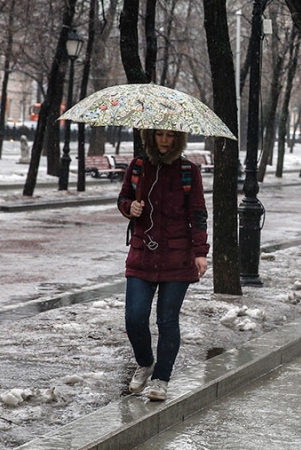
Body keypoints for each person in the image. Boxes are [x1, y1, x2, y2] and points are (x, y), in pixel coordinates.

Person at [117, 129, 209, 401]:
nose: (165, 140)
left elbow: (198, 213)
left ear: (178, 139)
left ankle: (161, 379)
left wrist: (200, 252)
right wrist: (129, 207)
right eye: (159, 135)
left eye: (170, 136)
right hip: (143, 253)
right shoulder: (138, 167)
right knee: (134, 317)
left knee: (167, 320)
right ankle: (145, 362)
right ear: (151, 137)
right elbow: (123, 198)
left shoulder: (188, 171)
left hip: (177, 256)